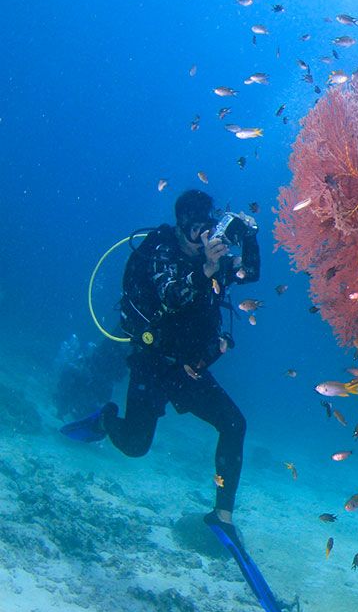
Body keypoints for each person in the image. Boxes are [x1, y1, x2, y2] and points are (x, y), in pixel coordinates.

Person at [62, 189, 259, 537]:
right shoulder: (159, 253)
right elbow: (173, 295)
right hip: (152, 363)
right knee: (136, 446)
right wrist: (207, 268)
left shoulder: (211, 256)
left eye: (208, 228)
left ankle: (222, 515)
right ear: (181, 226)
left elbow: (249, 274)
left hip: (189, 367)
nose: (203, 237)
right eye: (196, 229)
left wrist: (250, 238)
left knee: (234, 424)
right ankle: (105, 419)